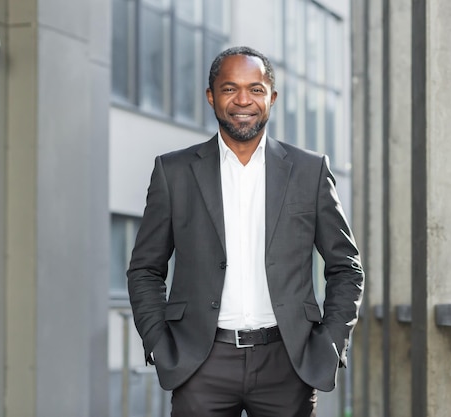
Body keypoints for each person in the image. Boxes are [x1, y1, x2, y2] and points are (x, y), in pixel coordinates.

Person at [127, 46, 364, 417]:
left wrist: (330, 342)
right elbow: (145, 269)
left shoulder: (310, 170)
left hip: (287, 363)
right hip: (200, 364)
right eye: (229, 88)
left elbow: (346, 267)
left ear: (272, 97)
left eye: (255, 89)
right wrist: (159, 342)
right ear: (211, 96)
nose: (243, 100)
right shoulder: (173, 172)